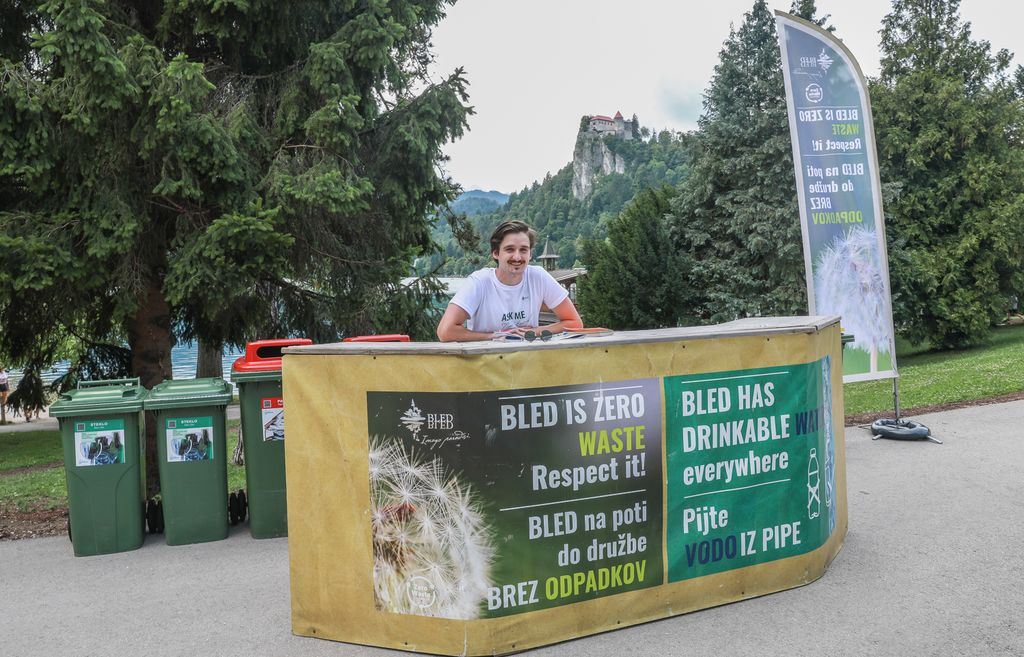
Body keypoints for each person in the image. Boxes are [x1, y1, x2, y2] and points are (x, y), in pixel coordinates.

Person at [437, 220, 583, 342]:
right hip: (486, 361)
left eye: (523, 250)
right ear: (496, 253)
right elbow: (445, 331)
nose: (517, 257)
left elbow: (575, 322)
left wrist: (534, 332)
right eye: (510, 249)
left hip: (527, 360)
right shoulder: (479, 282)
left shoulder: (538, 276)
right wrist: (495, 336)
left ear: (530, 254)